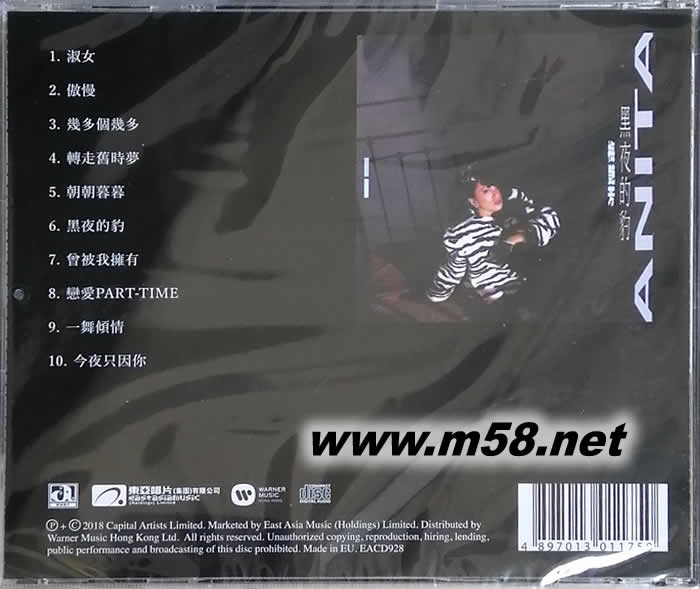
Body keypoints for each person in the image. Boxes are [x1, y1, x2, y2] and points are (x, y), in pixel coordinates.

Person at [426, 167, 560, 304]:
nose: (495, 192)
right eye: (486, 191)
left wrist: (518, 238)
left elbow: (550, 220)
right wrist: (436, 294)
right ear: (473, 202)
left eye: (493, 185)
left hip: (532, 281)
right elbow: (452, 270)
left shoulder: (516, 201)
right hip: (495, 298)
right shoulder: (463, 234)